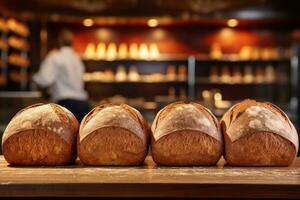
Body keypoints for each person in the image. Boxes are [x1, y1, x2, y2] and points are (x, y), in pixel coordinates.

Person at [33, 29, 89, 122]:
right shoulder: (77, 59)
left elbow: (45, 80)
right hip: (83, 105)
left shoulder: (55, 57)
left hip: (66, 105)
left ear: (59, 41)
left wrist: (33, 78)